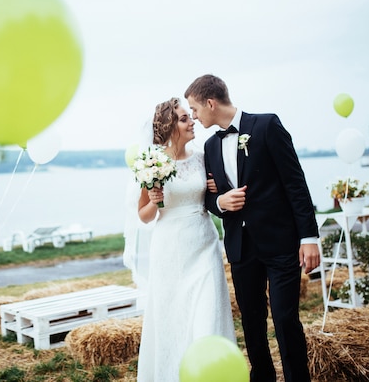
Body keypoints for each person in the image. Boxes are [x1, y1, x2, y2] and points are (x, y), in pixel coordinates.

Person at [184, 74, 321, 382]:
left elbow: (295, 183)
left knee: (286, 320)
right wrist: (221, 202)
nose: (194, 116)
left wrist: (309, 237)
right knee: (252, 323)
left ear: (210, 102)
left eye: (194, 108)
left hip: (280, 243)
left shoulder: (267, 125)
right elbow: (207, 196)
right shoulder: (209, 146)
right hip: (241, 247)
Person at [131, 97, 236, 382]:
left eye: (190, 116)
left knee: (208, 318)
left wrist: (214, 191)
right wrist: (154, 201)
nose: (191, 122)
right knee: (173, 320)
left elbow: (213, 198)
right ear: (169, 126)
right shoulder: (152, 164)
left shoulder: (203, 158)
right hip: (170, 252)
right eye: (183, 118)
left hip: (204, 246)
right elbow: (143, 215)